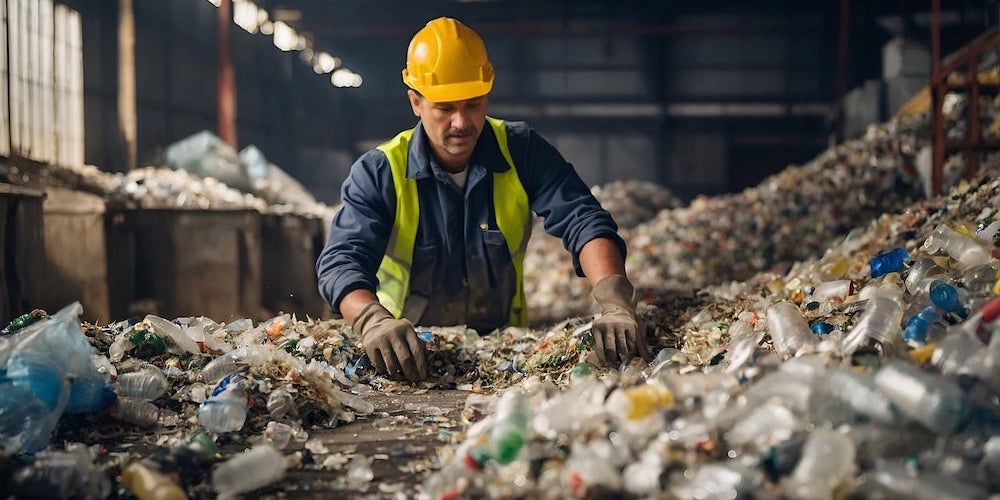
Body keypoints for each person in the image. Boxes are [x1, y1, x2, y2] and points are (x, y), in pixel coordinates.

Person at [316, 16, 647, 382]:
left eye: (473, 104)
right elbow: (341, 260)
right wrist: (372, 321)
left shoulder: (521, 151)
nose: (461, 122)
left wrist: (615, 301)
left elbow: (583, 219)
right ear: (416, 102)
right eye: (445, 108)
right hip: (411, 357)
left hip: (504, 356)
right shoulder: (381, 172)